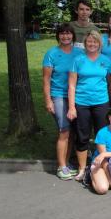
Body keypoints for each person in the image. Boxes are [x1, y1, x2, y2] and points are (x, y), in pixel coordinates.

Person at [67, 30, 111, 182]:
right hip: (82, 103)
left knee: (102, 136)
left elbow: (110, 83)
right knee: (82, 136)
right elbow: (72, 85)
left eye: (95, 42)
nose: (92, 44)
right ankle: (82, 168)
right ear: (85, 44)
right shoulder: (78, 60)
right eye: (89, 42)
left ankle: (101, 167)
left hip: (101, 102)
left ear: (100, 44)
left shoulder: (106, 60)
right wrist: (72, 107)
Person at [42, 23, 83, 180]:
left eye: (68, 33)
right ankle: (61, 166)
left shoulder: (79, 53)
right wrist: (48, 101)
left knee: (72, 131)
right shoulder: (51, 54)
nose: (65, 36)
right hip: (58, 95)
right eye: (62, 34)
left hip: (76, 95)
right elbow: (46, 80)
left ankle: (66, 162)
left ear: (73, 35)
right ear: (58, 35)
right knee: (64, 130)